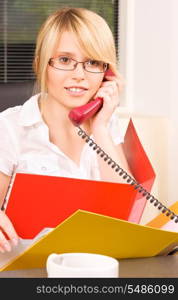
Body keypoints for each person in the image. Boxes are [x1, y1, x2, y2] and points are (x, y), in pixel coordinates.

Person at [0, 7, 132, 253]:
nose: (79, 75)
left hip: (93, 266)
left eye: (93, 62)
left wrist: (100, 127)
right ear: (41, 65)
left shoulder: (109, 126)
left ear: (108, 74)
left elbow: (125, 215)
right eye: (64, 60)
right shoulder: (9, 128)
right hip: (26, 272)